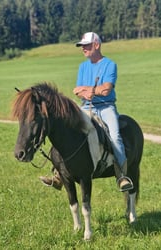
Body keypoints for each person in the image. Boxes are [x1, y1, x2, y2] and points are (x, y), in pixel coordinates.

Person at [40, 32, 133, 192]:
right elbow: (77, 90)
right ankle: (58, 174)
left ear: (96, 45)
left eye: (86, 45)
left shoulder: (110, 65)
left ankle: (122, 176)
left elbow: (106, 90)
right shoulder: (83, 67)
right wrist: (86, 92)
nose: (83, 49)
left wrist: (91, 90)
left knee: (115, 136)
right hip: (85, 106)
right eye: (82, 46)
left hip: (106, 107)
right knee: (66, 130)